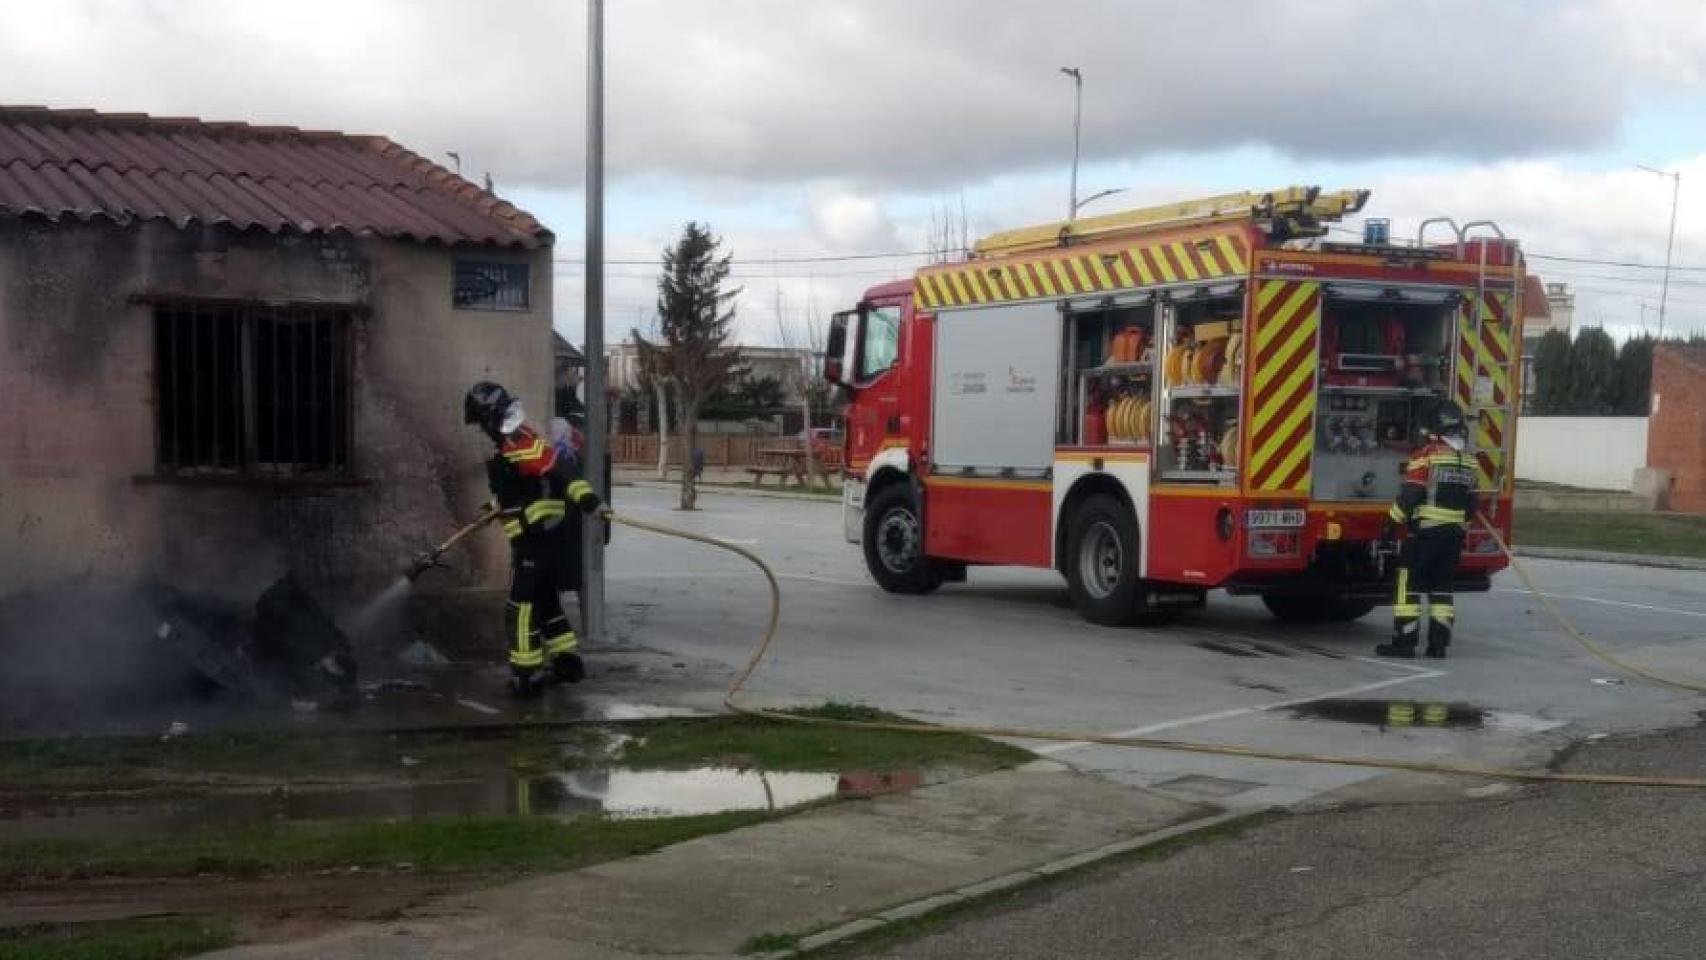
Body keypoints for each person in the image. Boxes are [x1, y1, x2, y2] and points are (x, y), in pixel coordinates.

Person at [464, 381, 602, 695]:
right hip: (539, 538)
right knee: (545, 603)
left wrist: (590, 501)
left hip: (536, 539)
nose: (481, 431)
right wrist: (497, 507)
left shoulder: (518, 442)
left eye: (480, 423)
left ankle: (526, 675)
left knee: (520, 607)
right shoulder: (514, 443)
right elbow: (521, 489)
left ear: (488, 419)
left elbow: (560, 471)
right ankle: (568, 663)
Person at [1376, 402, 1477, 660]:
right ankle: (1438, 646)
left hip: (1425, 535)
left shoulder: (1427, 455)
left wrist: (1391, 523)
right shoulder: (1469, 462)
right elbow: (1471, 505)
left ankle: (1404, 642)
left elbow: (1412, 493)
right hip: (1452, 537)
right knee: (1441, 590)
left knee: (1407, 587)